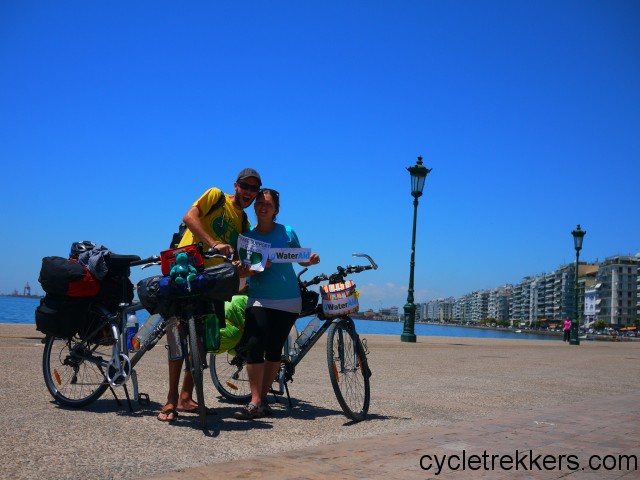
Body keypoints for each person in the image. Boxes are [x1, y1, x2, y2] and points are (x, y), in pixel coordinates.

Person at [158, 168, 261, 422]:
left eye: (253, 189)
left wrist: (244, 266)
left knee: (202, 339)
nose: (248, 192)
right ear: (235, 185)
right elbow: (190, 217)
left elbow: (237, 254)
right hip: (187, 270)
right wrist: (213, 243)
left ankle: (185, 396)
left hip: (214, 281)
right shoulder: (216, 196)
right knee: (177, 336)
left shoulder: (244, 221)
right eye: (245, 186)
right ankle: (170, 400)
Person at [233, 188, 320, 420]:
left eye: (268, 204)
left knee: (273, 350)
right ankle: (254, 401)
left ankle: (260, 400)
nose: (262, 206)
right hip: (259, 297)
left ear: (276, 210)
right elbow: (243, 271)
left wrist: (310, 260)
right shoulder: (247, 236)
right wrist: (254, 267)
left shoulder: (287, 232)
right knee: (254, 344)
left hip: (289, 299)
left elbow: (299, 257)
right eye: (259, 202)